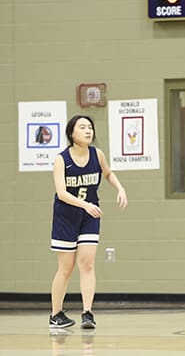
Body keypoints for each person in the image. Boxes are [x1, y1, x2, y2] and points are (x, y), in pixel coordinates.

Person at [49, 115, 128, 330]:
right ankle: (56, 314)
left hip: (89, 217)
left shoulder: (97, 154)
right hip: (66, 217)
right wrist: (85, 205)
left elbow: (108, 173)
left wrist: (120, 188)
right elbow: (61, 193)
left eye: (90, 127)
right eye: (82, 127)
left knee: (87, 264)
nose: (88, 131)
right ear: (71, 133)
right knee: (65, 268)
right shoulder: (61, 159)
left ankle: (87, 312)